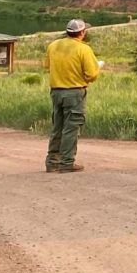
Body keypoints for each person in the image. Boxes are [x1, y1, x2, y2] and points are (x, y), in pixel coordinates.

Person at [44, 18, 100, 173]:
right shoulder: (84, 49)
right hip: (75, 92)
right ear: (82, 32)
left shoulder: (53, 45)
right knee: (71, 128)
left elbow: (47, 66)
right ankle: (66, 162)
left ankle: (52, 162)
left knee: (58, 127)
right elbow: (91, 74)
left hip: (56, 92)